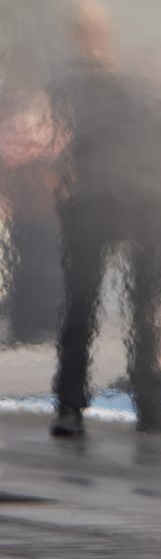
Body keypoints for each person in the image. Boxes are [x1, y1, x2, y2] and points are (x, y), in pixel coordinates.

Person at [47, 1, 161, 438]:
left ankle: (148, 403)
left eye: (95, 29)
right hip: (88, 205)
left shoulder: (125, 85)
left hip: (132, 203)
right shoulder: (64, 85)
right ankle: (70, 404)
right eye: (83, 29)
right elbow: (57, 138)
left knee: (143, 305)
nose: (90, 37)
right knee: (82, 303)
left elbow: (149, 139)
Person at [0, 53, 64, 344]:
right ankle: (26, 325)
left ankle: (43, 323)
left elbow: (60, 143)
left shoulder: (46, 105)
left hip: (43, 202)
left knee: (44, 261)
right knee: (24, 263)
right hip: (23, 203)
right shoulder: (9, 106)